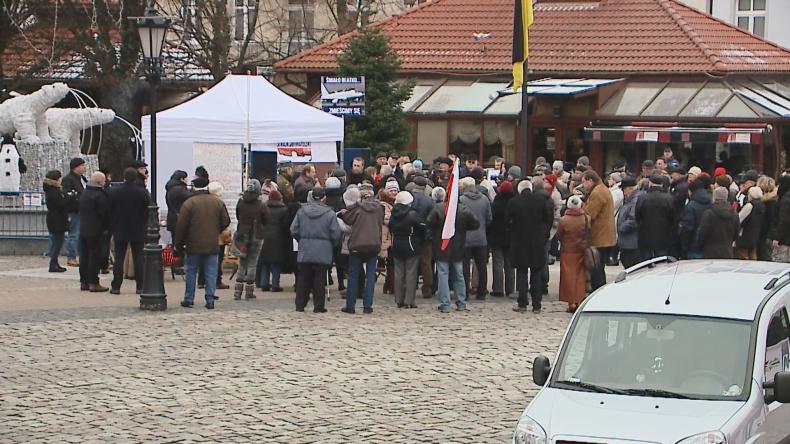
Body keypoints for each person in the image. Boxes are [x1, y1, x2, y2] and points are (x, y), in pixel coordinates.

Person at [174, 175, 231, 309]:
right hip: (212, 244)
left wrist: (178, 243)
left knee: (191, 271)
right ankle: (210, 299)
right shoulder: (217, 202)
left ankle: (189, 298)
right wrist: (215, 230)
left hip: (193, 244)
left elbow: (181, 226)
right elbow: (225, 221)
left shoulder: (189, 203)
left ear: (194, 187)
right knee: (211, 272)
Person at [427, 188, 480, 313]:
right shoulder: (463, 209)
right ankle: (461, 302)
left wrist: (433, 236)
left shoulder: (438, 208)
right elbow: (475, 224)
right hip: (458, 245)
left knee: (443, 274)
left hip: (442, 245)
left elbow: (429, 224)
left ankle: (445, 303)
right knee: (459, 275)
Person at [290, 188, 340, 313]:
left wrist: (302, 239)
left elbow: (294, 229)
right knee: (320, 278)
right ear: (324, 198)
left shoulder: (301, 212)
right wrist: (331, 244)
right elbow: (335, 233)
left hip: (305, 248)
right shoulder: (329, 213)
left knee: (303, 278)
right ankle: (319, 306)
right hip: (323, 249)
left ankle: (300, 304)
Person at [507, 179, 553, 313]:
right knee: (536, 273)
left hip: (519, 241)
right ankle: (537, 304)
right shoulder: (540, 201)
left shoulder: (514, 202)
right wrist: (543, 234)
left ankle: (522, 303)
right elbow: (547, 219)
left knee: (521, 273)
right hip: (536, 242)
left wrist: (513, 231)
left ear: (519, 190)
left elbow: (507, 221)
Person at [341, 185, 384, 314]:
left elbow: (348, 220)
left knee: (353, 275)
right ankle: (368, 306)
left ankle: (350, 306)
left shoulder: (358, 209)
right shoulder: (379, 208)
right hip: (374, 245)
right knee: (370, 276)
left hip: (357, 245)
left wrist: (344, 213)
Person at [108, 168, 150, 294]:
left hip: (120, 228)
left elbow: (110, 210)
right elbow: (147, 210)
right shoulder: (142, 192)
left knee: (119, 258)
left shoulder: (115, 192)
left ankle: (116, 286)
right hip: (137, 228)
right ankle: (140, 286)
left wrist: (112, 225)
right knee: (138, 257)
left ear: (124, 177)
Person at [389, 191, 425, 308]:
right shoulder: (413, 215)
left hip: (396, 246)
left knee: (399, 274)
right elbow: (422, 228)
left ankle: (399, 299)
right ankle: (409, 300)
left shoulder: (393, 214)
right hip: (411, 245)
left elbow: (390, 228)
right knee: (411, 273)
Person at [581, 170, 616, 291]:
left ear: (590, 180)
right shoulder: (602, 189)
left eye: (584, 182)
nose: (583, 185)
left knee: (597, 267)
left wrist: (582, 205)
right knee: (599, 266)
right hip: (605, 235)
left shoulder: (597, 192)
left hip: (600, 236)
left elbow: (589, 213)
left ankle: (598, 291)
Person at [233, 179, 267, 300]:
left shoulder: (241, 202)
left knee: (242, 263)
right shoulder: (261, 204)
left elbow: (238, 216)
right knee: (252, 263)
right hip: (256, 235)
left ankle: (237, 292)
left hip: (242, 236)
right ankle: (249, 292)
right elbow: (266, 219)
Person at [459, 177, 491, 300]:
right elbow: (489, 218)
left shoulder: (461, 200)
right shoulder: (484, 199)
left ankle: (464, 292)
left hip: (465, 238)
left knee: (465, 267)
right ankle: (481, 292)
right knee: (482, 266)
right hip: (481, 237)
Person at [78, 172, 111, 292]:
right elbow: (104, 213)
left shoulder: (84, 193)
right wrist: (107, 227)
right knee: (94, 256)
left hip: (83, 228)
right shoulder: (100, 195)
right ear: (100, 182)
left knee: (84, 255)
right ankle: (94, 282)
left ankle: (84, 282)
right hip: (96, 230)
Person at [556, 195, 588, 312]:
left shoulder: (564, 220)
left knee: (568, 277)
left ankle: (571, 302)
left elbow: (559, 235)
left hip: (568, 251)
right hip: (582, 250)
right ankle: (579, 299)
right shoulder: (585, 218)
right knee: (580, 276)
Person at [635, 175, 675, 261]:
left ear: (650, 183)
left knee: (645, 262)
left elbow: (637, 216)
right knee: (661, 262)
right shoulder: (668, 198)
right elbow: (673, 218)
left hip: (645, 235)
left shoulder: (643, 198)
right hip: (663, 235)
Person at [257, 190, 289, 291]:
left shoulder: (263, 207)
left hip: (264, 235)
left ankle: (264, 283)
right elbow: (285, 225)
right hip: (278, 236)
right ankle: (275, 284)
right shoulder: (284, 209)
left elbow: (260, 221)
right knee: (276, 262)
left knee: (265, 261)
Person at [408, 175, 434, 298]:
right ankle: (427, 288)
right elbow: (432, 219)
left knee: (411, 262)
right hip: (426, 235)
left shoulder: (409, 198)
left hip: (411, 234)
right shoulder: (429, 200)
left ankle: (410, 287)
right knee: (426, 263)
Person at [43, 170, 74, 273]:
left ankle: (55, 263)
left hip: (54, 219)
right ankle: (53, 264)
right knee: (58, 243)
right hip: (57, 220)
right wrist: (69, 198)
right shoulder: (54, 191)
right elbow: (60, 204)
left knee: (56, 242)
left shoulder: (50, 190)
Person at [489, 181, 516, 298]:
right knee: (510, 264)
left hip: (497, 237)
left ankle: (498, 289)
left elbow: (490, 221)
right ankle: (510, 289)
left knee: (498, 263)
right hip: (511, 237)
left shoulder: (496, 204)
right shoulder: (515, 203)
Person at [698, 187, 740, 259]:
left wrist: (701, 246)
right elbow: (736, 234)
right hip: (727, 251)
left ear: (714, 197)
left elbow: (702, 233)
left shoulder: (709, 213)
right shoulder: (734, 214)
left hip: (709, 252)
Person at [61, 157, 87, 267]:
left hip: (82, 210)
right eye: (82, 165)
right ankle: (71, 257)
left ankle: (81, 256)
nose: (85, 167)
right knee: (74, 234)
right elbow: (67, 194)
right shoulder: (69, 179)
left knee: (80, 235)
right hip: (74, 210)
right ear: (76, 167)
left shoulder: (82, 178)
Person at [679, 178, 711, 259]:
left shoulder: (691, 206)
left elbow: (687, 228)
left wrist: (684, 245)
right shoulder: (711, 202)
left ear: (690, 191)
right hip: (708, 246)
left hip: (693, 246)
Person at [616, 177, 642, 268]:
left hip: (632, 242)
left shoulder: (636, 199)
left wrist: (621, 228)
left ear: (629, 189)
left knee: (631, 266)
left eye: (623, 189)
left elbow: (633, 219)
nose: (623, 192)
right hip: (627, 242)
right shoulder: (629, 199)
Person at [735, 186, 765, 260]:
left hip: (744, 235)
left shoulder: (749, 206)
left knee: (743, 256)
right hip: (756, 235)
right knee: (753, 255)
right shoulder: (762, 206)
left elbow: (739, 219)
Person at [165, 170, 190, 244]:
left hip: (172, 218)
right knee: (181, 243)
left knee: (176, 241)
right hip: (179, 219)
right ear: (182, 179)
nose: (187, 180)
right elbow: (190, 196)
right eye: (186, 178)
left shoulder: (171, 188)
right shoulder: (179, 189)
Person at [758, 176, 778, 261]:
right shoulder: (774, 200)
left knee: (765, 256)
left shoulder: (769, 202)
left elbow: (771, 219)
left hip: (765, 234)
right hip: (766, 233)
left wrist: (770, 236)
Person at [772, 176, 790, 263]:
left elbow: (784, 220)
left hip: (784, 239)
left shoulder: (785, 200)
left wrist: (777, 238)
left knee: (780, 262)